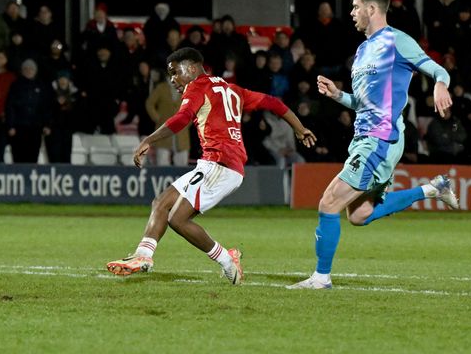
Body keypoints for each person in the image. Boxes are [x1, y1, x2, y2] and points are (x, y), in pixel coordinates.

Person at [288, 0, 459, 290]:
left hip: (380, 138)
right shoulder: (363, 50)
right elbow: (364, 103)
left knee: (329, 202)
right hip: (366, 136)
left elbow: (438, 71)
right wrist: (338, 95)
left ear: (371, 9)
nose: (352, 12)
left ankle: (321, 278)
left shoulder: (397, 40)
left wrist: (440, 85)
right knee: (359, 214)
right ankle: (432, 189)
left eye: (356, 7)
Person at [106, 47, 316, 284]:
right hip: (216, 164)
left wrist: (149, 140)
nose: (173, 79)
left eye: (175, 72)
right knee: (161, 203)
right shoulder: (232, 89)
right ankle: (143, 256)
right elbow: (273, 102)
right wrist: (300, 129)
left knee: (178, 219)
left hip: (220, 164)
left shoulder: (197, 86)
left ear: (192, 68)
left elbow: (182, 118)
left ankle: (227, 260)